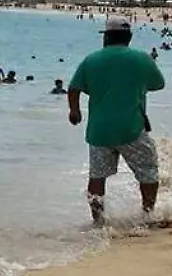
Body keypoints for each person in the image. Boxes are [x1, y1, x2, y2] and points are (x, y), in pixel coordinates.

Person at [68, 17, 166, 225]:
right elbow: (158, 84)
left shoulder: (91, 60)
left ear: (106, 38)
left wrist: (74, 111)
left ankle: (98, 220)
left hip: (99, 130)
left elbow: (74, 88)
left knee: (97, 176)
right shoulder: (142, 58)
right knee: (148, 171)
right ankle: (148, 213)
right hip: (131, 127)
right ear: (128, 37)